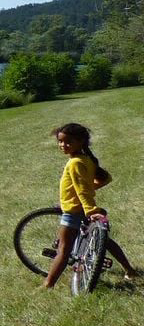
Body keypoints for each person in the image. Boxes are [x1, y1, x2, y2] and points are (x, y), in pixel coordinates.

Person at [43, 123, 138, 288]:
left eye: (68, 142)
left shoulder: (75, 163)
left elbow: (82, 190)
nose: (62, 145)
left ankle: (47, 284)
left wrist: (90, 209)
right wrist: (82, 194)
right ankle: (129, 269)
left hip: (74, 211)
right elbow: (105, 178)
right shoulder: (86, 159)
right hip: (77, 206)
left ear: (81, 142)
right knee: (105, 241)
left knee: (63, 251)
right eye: (60, 141)